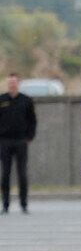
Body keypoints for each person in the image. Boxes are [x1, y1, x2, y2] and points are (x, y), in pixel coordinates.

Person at [0, 73, 37, 214]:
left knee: (22, 174)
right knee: (5, 174)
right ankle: (5, 205)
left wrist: (30, 136)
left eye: (14, 82)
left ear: (18, 84)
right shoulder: (2, 100)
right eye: (10, 83)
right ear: (7, 84)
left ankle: (23, 203)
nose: (12, 85)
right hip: (5, 142)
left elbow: (32, 121)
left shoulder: (26, 101)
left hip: (21, 141)